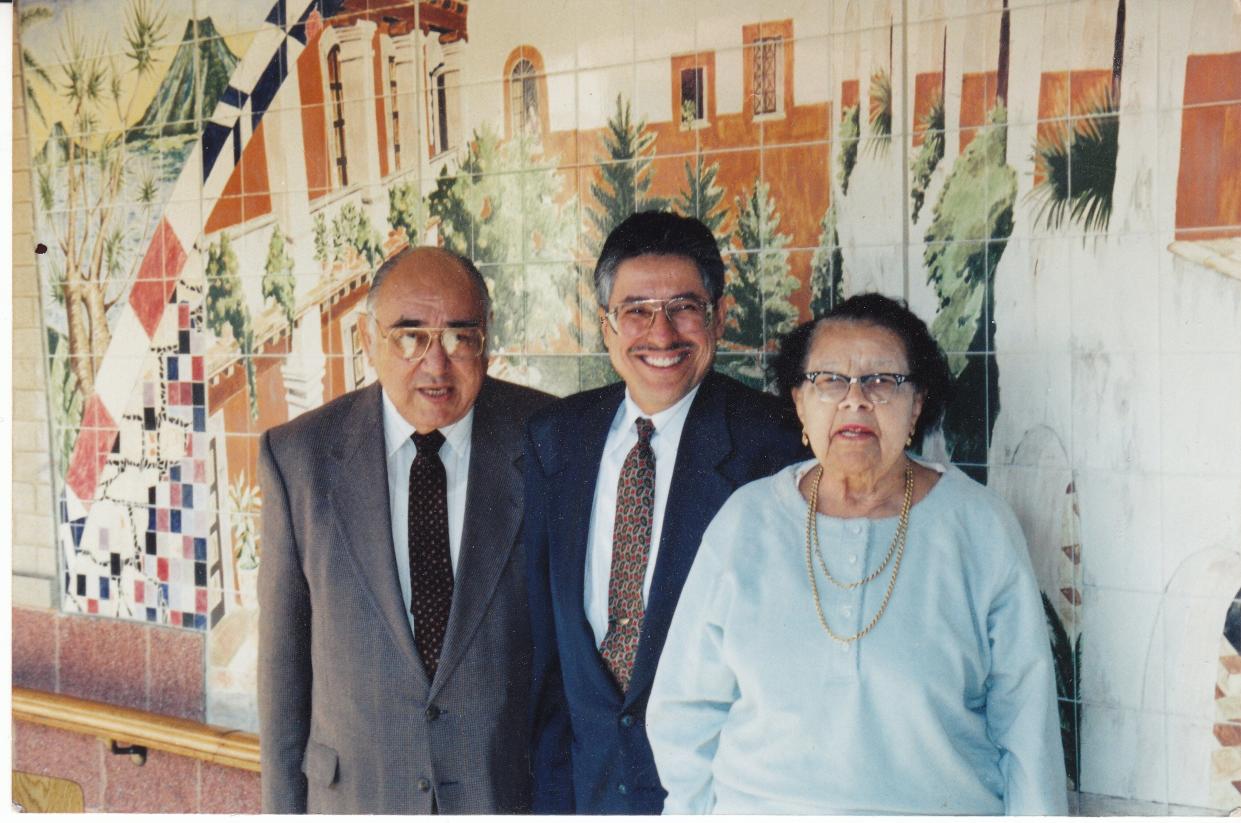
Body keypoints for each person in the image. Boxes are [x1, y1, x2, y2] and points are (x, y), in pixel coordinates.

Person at [646, 293, 1068, 815]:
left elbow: (1027, 731)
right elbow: (685, 711)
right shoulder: (746, 521)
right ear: (800, 402)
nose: (855, 400)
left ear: (916, 405)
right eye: (829, 380)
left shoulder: (979, 526)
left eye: (882, 380)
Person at [524, 211, 808, 814]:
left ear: (720, 318)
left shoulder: (775, 445)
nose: (661, 333)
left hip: (719, 796)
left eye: (684, 306)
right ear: (605, 326)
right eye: (635, 310)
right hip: (588, 793)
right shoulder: (557, 437)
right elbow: (550, 660)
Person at [258, 246, 552, 813]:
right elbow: (283, 676)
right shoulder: (300, 457)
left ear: (486, 340)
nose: (436, 364)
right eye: (409, 336)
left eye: (460, 337)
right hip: (356, 797)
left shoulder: (546, 439)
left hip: (506, 796)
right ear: (368, 340)